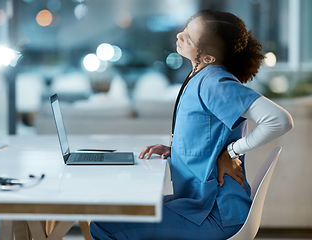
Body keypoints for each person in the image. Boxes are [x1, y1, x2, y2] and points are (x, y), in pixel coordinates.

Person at [89, 10, 294, 240]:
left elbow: (280, 120)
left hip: (214, 214)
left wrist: (232, 151)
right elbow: (207, 134)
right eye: (185, 29)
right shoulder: (201, 75)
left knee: (102, 225)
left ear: (207, 57)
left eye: (189, 37)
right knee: (114, 213)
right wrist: (176, 150)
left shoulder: (215, 82)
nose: (180, 35)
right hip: (198, 206)